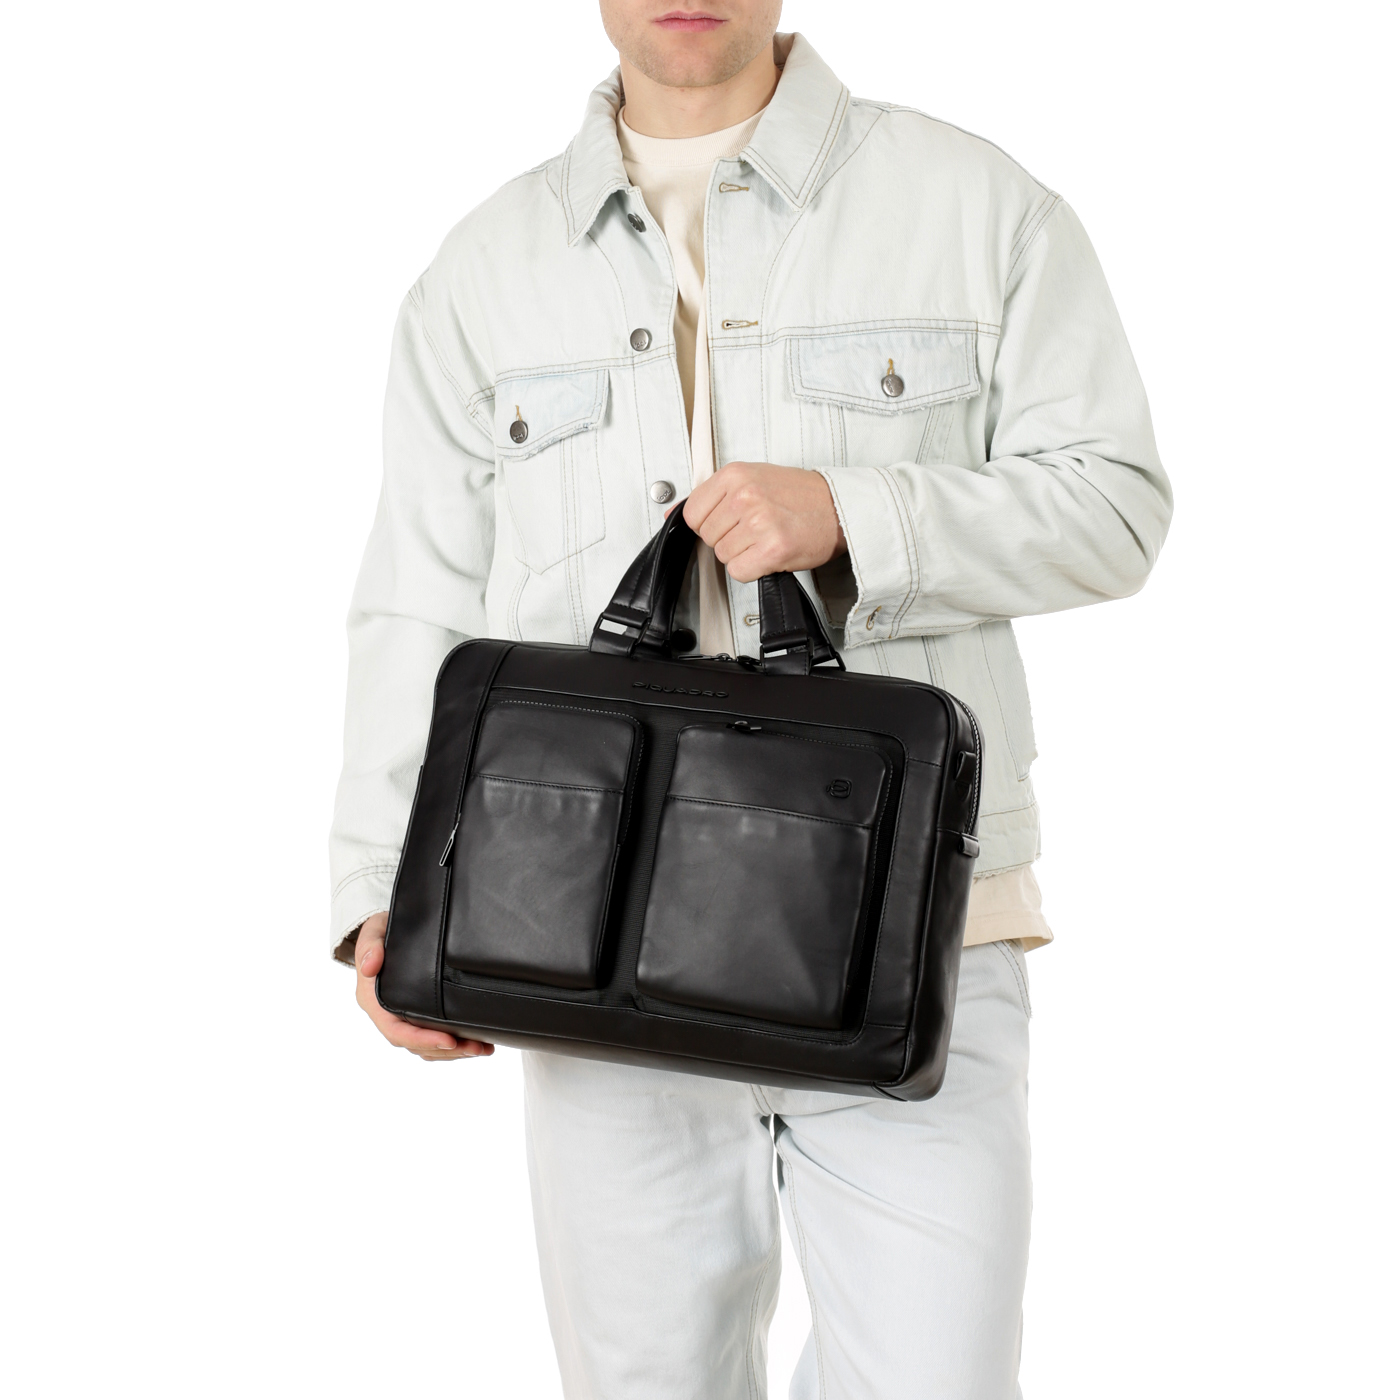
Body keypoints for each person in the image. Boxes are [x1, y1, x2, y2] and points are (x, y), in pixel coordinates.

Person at [329, 3, 1172, 1395]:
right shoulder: (483, 268)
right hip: (586, 946)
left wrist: (854, 514)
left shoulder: (978, 206)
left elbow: (1115, 507)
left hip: (918, 941)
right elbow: (417, 595)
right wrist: (382, 887)